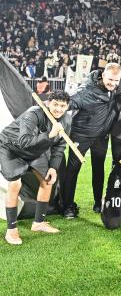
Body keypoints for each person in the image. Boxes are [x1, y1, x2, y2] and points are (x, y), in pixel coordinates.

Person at [1, 91, 71, 245]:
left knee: (47, 181)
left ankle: (38, 223)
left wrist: (53, 167)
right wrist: (50, 135)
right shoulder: (33, 114)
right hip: (11, 147)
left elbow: (60, 146)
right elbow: (25, 142)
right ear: (48, 103)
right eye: (55, 104)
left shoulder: (66, 119)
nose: (59, 109)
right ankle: (11, 230)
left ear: (67, 106)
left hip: (36, 150)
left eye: (62, 106)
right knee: (15, 184)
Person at [61, 62, 121, 218]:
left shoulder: (114, 90)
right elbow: (70, 102)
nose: (113, 84)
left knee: (99, 169)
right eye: (110, 80)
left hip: (101, 138)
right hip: (80, 137)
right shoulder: (85, 91)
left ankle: (97, 203)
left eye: (116, 81)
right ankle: (68, 206)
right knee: (72, 171)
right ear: (103, 75)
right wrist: (59, 104)